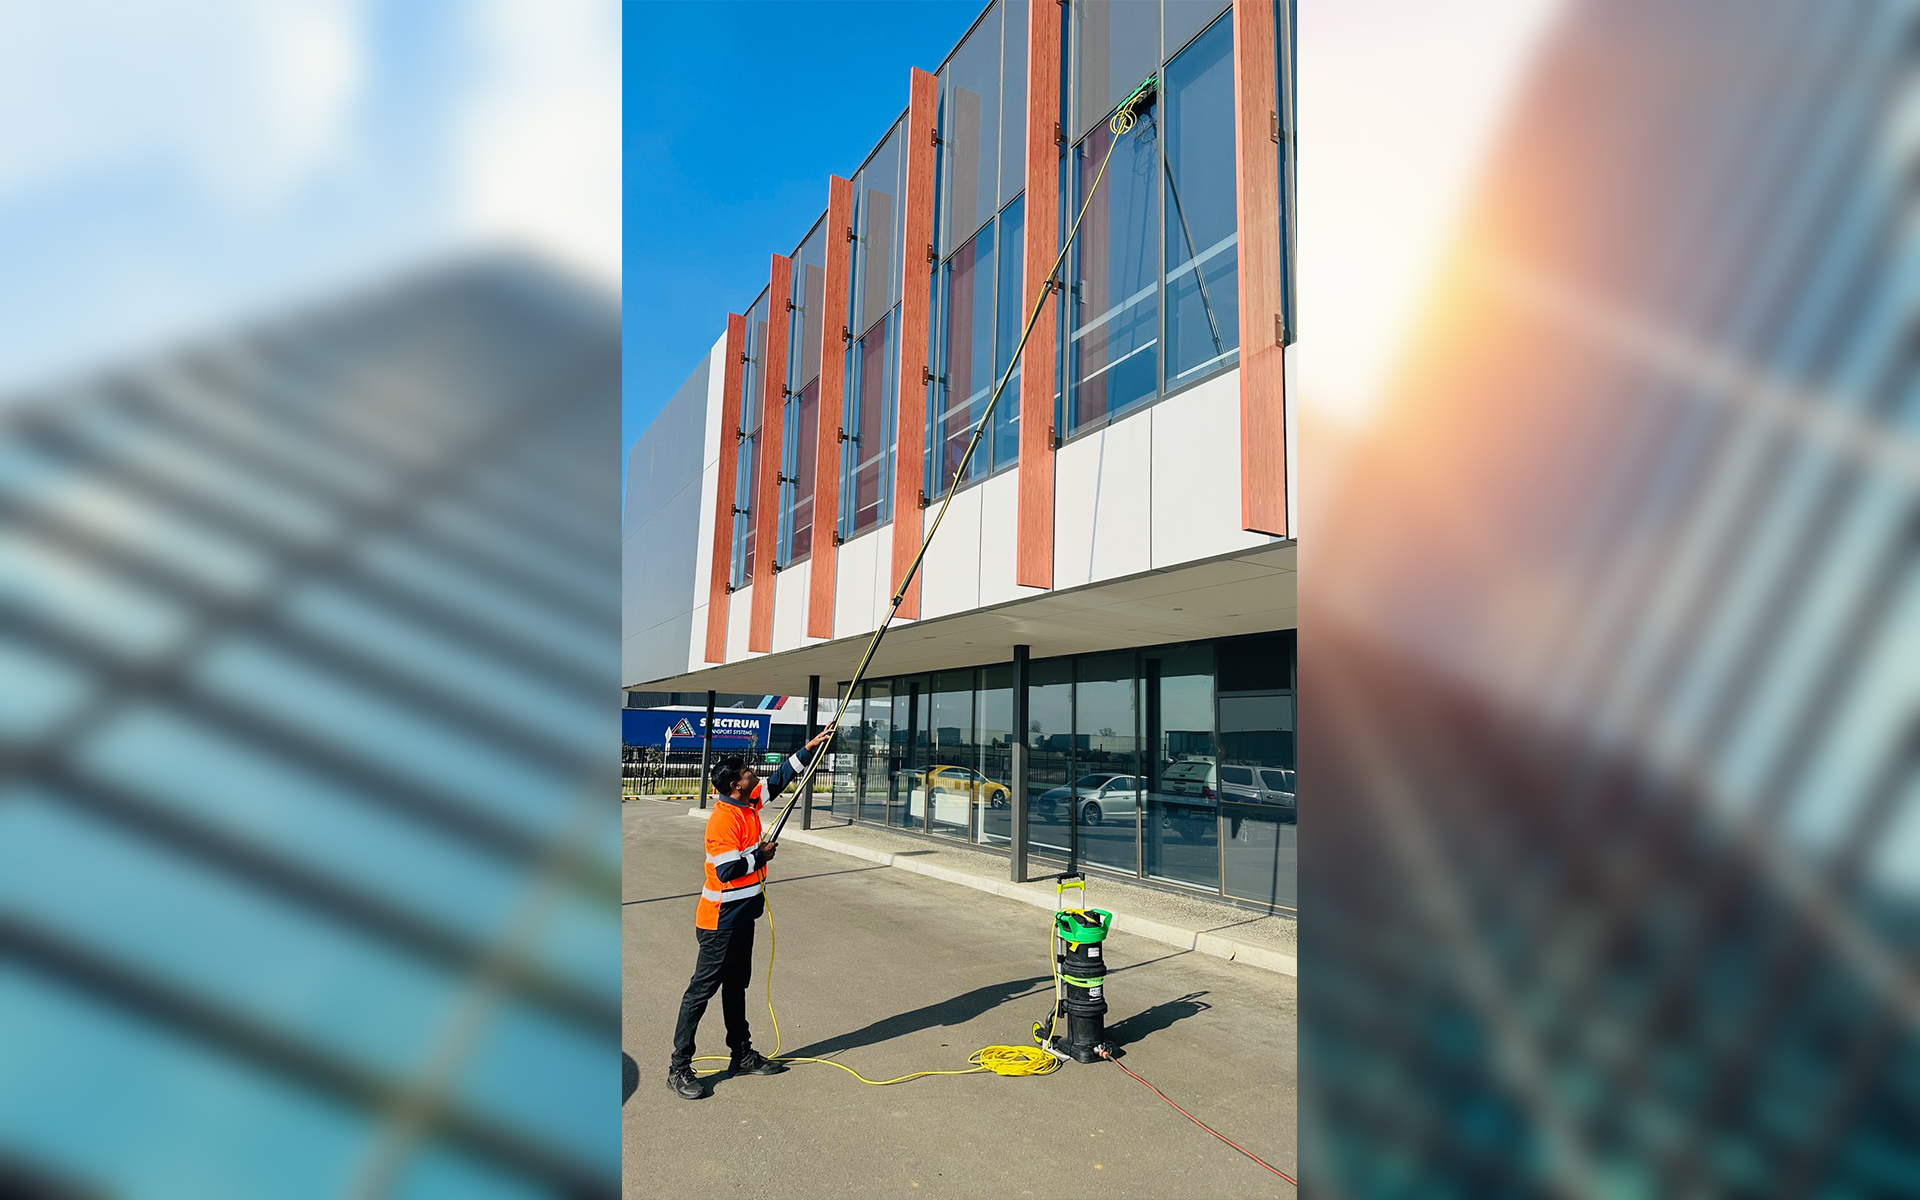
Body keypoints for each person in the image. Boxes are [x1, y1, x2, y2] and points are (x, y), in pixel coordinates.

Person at [667, 729, 833, 1099]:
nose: (751, 772)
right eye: (745, 772)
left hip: (743, 916)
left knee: (737, 985)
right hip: (719, 921)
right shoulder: (722, 820)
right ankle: (679, 1067)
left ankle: (740, 1053)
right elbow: (726, 870)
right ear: (735, 786)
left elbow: (777, 781)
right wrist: (762, 855)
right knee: (700, 992)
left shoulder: (747, 804)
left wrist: (807, 749)